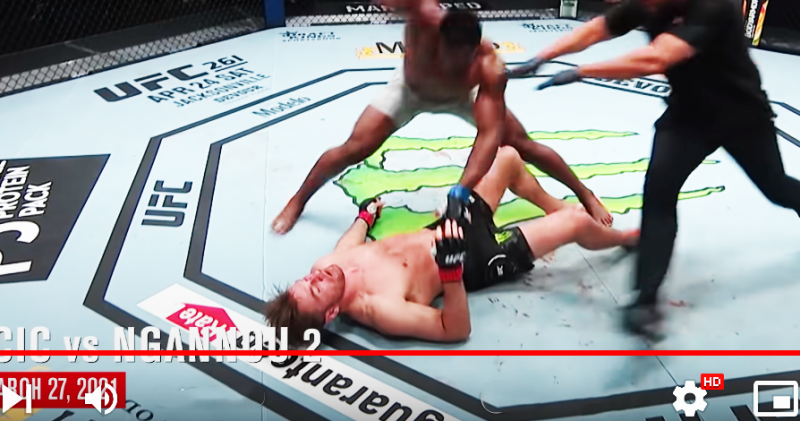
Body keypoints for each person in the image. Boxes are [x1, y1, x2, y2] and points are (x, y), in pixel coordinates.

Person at [512, 0, 800, 339]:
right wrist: (542, 57)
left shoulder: (714, 5)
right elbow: (599, 28)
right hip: (688, 117)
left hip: (740, 116)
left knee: (776, 189)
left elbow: (656, 59)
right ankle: (645, 299)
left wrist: (581, 72)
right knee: (659, 196)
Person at [272, 0, 613, 234]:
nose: (455, 62)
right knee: (355, 147)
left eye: (465, 57)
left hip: (462, 96)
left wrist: (463, 188)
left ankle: (585, 194)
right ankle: (297, 201)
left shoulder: (489, 67)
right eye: (450, 55)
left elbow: (489, 135)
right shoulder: (424, 23)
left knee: (522, 143)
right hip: (410, 91)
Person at [264, 146, 638, 345]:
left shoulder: (326, 267)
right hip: (475, 260)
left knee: (506, 157)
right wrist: (450, 271)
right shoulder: (381, 309)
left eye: (306, 279)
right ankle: (622, 239)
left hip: (447, 228)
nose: (316, 276)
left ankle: (550, 205)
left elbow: (347, 245)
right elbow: (454, 329)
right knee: (576, 223)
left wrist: (364, 217)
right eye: (316, 288)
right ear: (331, 313)